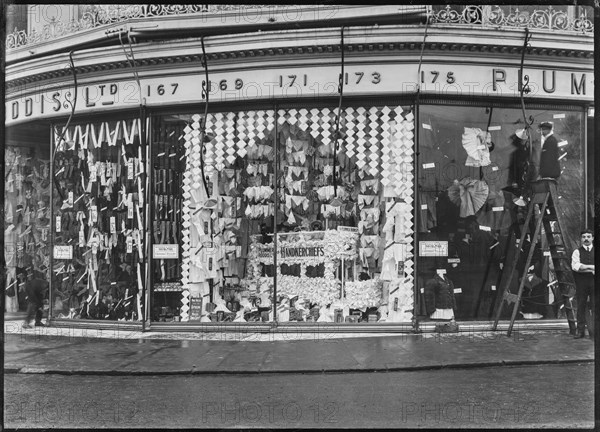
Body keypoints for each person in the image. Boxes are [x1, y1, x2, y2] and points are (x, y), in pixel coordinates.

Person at [571, 229, 594, 339]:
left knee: (596, 306)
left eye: (588, 236)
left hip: (595, 283)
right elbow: (576, 267)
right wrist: (592, 268)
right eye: (584, 237)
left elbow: (581, 267)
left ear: (592, 238)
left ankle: (595, 332)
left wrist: (583, 267)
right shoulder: (577, 252)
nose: (586, 239)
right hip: (582, 283)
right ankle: (580, 331)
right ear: (581, 239)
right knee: (581, 306)